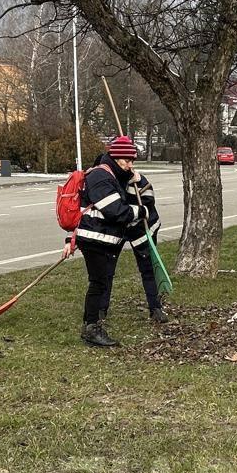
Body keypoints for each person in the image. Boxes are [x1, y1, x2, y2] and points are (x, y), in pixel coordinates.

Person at [75, 135, 145, 347]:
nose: (130, 165)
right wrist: (140, 210)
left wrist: (131, 180)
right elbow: (116, 211)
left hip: (103, 239)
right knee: (98, 283)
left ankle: (93, 324)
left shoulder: (112, 174)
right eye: (128, 161)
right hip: (94, 239)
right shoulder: (100, 177)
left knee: (102, 281)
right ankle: (91, 327)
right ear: (116, 158)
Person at [124, 165, 169, 324]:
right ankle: (100, 311)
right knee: (105, 273)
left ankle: (155, 308)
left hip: (144, 229)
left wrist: (138, 182)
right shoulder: (105, 178)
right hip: (118, 229)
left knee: (148, 268)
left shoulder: (136, 178)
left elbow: (149, 198)